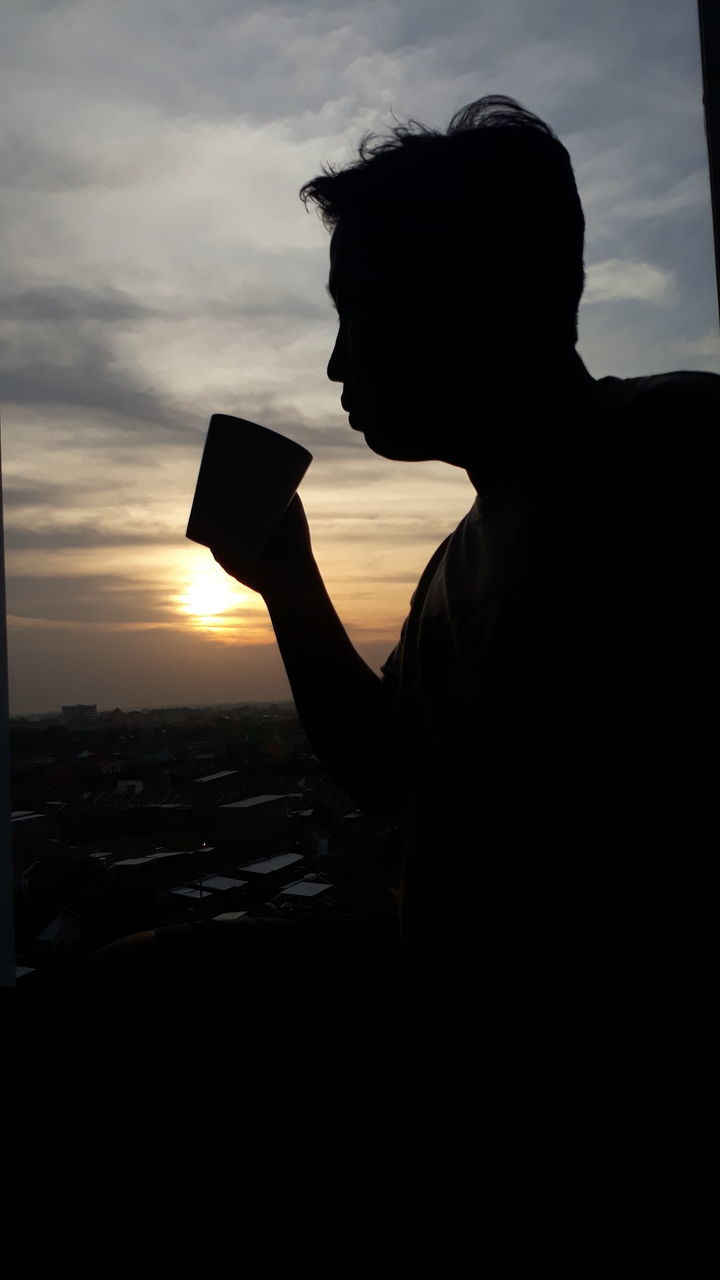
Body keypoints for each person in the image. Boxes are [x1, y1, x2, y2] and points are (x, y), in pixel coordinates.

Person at [64, 95, 719, 1036]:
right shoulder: (460, 558)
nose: (335, 365)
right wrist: (289, 585)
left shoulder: (680, 454)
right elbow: (390, 772)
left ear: (480, 298)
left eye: (361, 312)